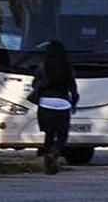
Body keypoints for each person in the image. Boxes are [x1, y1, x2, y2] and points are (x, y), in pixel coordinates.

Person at [31, 40, 78, 175]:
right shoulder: (67, 67)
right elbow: (73, 88)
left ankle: (47, 161)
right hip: (63, 103)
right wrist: (74, 103)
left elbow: (35, 84)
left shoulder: (42, 66)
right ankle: (54, 153)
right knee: (62, 135)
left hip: (45, 102)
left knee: (49, 133)